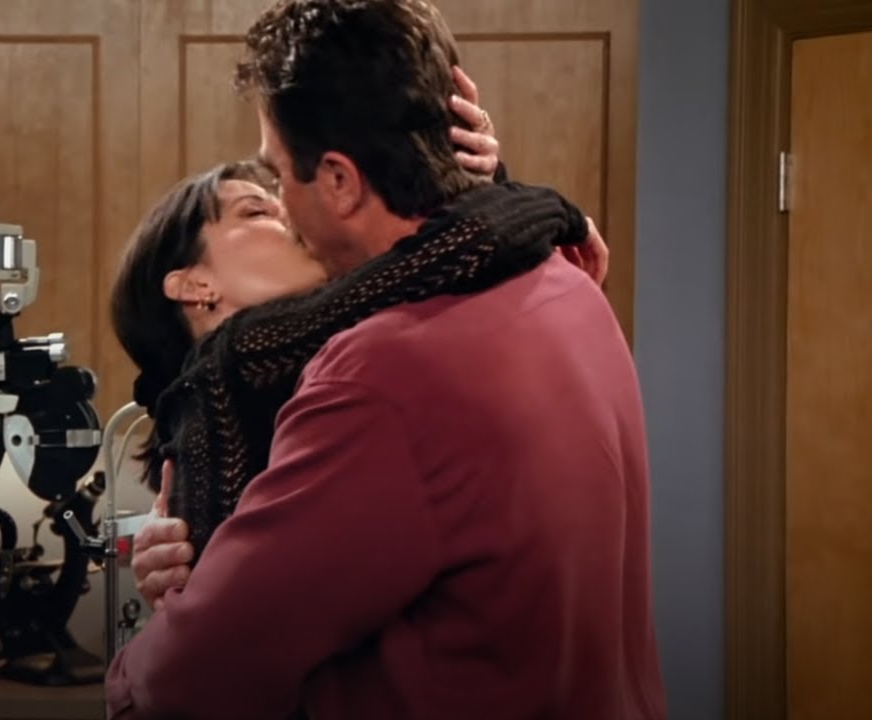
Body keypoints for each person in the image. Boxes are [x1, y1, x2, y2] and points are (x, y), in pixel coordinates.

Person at [106, 1, 660, 718]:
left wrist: (150, 654)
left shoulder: (377, 379)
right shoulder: (563, 278)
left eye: (280, 177)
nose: (283, 207)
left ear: (339, 180)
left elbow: (197, 674)